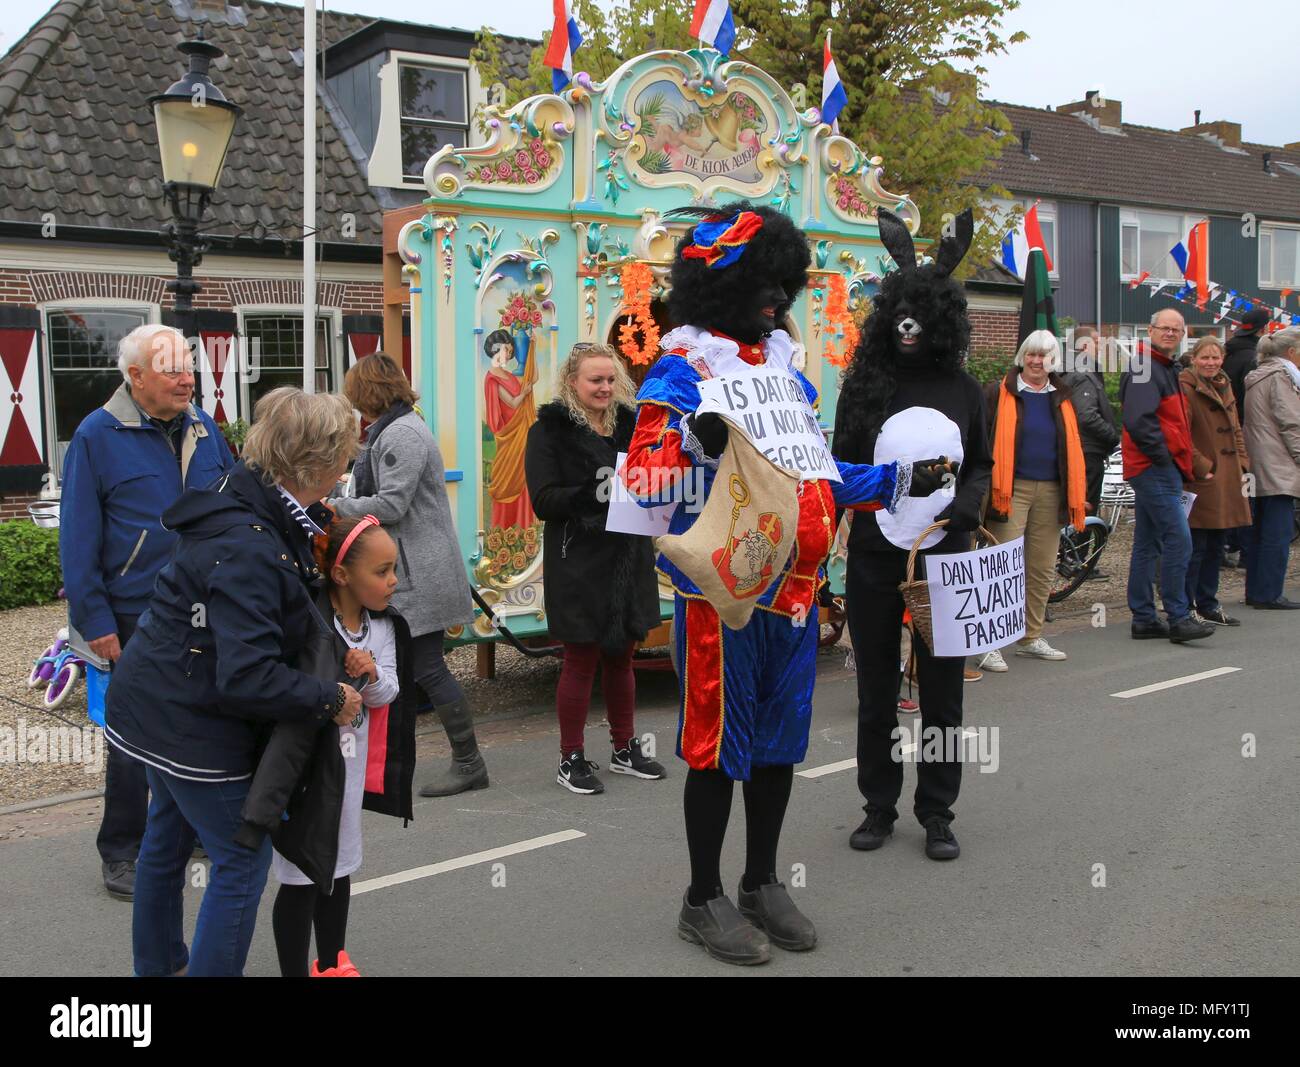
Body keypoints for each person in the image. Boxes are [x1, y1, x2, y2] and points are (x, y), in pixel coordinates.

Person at [624, 203, 950, 965]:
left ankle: (761, 881)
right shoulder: (681, 369)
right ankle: (701, 896)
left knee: (775, 747)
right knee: (714, 749)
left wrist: (901, 479)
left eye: (783, 283)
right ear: (720, 288)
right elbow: (641, 480)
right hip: (722, 603)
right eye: (762, 283)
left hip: (797, 594)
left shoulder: (783, 374)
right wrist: (692, 444)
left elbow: (819, 477)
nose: (777, 298)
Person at [104, 387, 363, 977]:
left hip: (150, 696)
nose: (348, 466)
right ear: (317, 463)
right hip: (191, 718)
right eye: (344, 455)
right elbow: (247, 675)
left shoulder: (242, 495)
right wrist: (330, 697)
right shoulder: (249, 546)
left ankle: (159, 968)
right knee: (240, 863)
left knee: (165, 845)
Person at [833, 208, 993, 863]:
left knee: (944, 693)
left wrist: (967, 506)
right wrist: (890, 485)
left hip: (946, 557)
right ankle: (878, 803)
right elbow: (839, 464)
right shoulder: (865, 385)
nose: (907, 324)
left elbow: (981, 461)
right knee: (875, 688)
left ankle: (938, 811)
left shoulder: (964, 387)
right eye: (899, 311)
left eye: (919, 313)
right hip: (875, 554)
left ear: (939, 318)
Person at [59, 323, 233, 899]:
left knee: (206, 717)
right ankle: (123, 851)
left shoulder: (206, 429)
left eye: (189, 367)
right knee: (131, 738)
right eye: (173, 369)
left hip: (205, 607)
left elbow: (232, 507)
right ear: (135, 377)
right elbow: (78, 540)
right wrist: (97, 623)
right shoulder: (95, 435)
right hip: (134, 614)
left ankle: (201, 828)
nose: (188, 379)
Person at [328, 354, 486, 797]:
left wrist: (335, 508)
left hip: (417, 573)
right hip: (412, 570)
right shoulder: (397, 429)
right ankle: (390, 765)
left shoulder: (400, 433)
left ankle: (469, 762)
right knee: (407, 668)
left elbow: (392, 504)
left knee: (427, 667)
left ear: (366, 393)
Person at [269, 514, 417, 977]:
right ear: (341, 575)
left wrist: (370, 672)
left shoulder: (384, 628)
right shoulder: (308, 623)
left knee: (338, 866)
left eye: (394, 569)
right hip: (305, 770)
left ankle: (331, 961)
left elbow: (389, 692)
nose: (393, 581)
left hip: (349, 770)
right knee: (300, 876)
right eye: (381, 572)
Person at [525, 343, 666, 794]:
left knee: (623, 655)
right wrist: (593, 491)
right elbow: (543, 500)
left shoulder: (633, 423)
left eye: (610, 380)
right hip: (578, 560)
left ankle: (624, 749)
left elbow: (654, 475)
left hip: (628, 554)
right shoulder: (550, 430)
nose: (605, 388)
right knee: (581, 658)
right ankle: (571, 758)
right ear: (573, 383)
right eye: (595, 380)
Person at [978, 330, 1088, 669]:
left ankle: (1030, 636)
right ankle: (988, 642)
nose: (1037, 361)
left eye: (1044, 356)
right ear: (1022, 356)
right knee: (999, 568)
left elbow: (1073, 447)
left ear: (1053, 359)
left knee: (1041, 568)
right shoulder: (999, 392)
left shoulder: (1063, 397)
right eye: (1032, 354)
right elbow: (980, 438)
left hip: (1053, 490)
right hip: (1009, 491)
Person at [1121, 310, 1214, 643]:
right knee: (1179, 538)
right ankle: (1179, 616)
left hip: (1156, 466)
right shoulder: (1147, 366)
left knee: (1149, 542)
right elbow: (1138, 420)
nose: (1171, 333)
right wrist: (1164, 457)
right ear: (1150, 330)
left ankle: (1145, 618)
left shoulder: (1162, 366)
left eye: (1176, 329)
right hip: (1154, 467)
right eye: (1165, 328)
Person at [1179, 336, 1251, 625]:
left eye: (1215, 357)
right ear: (1194, 358)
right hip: (1202, 478)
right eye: (1205, 358)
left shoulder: (1224, 384)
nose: (1210, 363)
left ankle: (1209, 602)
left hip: (1228, 476)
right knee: (1195, 546)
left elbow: (1235, 429)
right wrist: (1203, 467)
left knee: (1216, 545)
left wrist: (1243, 463)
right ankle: (1188, 605)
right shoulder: (1185, 387)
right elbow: (1182, 433)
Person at [1242, 327, 1300, 608]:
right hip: (1278, 462)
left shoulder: (1257, 375)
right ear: (1291, 353)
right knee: (1278, 533)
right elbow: (1292, 423)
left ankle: (1257, 590)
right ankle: (1269, 593)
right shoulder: (1282, 377)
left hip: (1258, 460)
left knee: (1259, 531)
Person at [1221, 308, 1271, 567]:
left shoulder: (1226, 352)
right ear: (1263, 329)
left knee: (1229, 492)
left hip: (1220, 435)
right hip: (1242, 434)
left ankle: (1226, 544)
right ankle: (1243, 548)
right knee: (1246, 492)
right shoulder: (1252, 358)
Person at [1061, 325, 1121, 534]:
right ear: (1084, 345)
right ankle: (1080, 560)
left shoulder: (1069, 370)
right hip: (1088, 451)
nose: (1100, 349)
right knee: (1085, 510)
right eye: (1097, 343)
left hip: (1080, 449)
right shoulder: (1083, 374)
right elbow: (1086, 416)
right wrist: (1113, 437)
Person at [482, 329, 538, 531]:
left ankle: (526, 526)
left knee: (526, 477)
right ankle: (507, 528)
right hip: (510, 437)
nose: (510, 353)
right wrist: (524, 393)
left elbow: (533, 378)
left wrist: (533, 348)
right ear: (497, 350)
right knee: (510, 480)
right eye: (507, 349)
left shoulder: (508, 374)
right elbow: (514, 403)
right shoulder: (493, 379)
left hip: (523, 434)